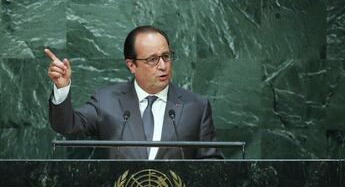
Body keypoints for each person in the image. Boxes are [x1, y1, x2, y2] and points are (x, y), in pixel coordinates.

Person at [46, 25, 223, 159]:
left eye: (166, 57)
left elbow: (212, 164)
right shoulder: (106, 101)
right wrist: (62, 88)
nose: (163, 66)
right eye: (153, 59)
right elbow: (67, 127)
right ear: (131, 65)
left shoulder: (195, 107)